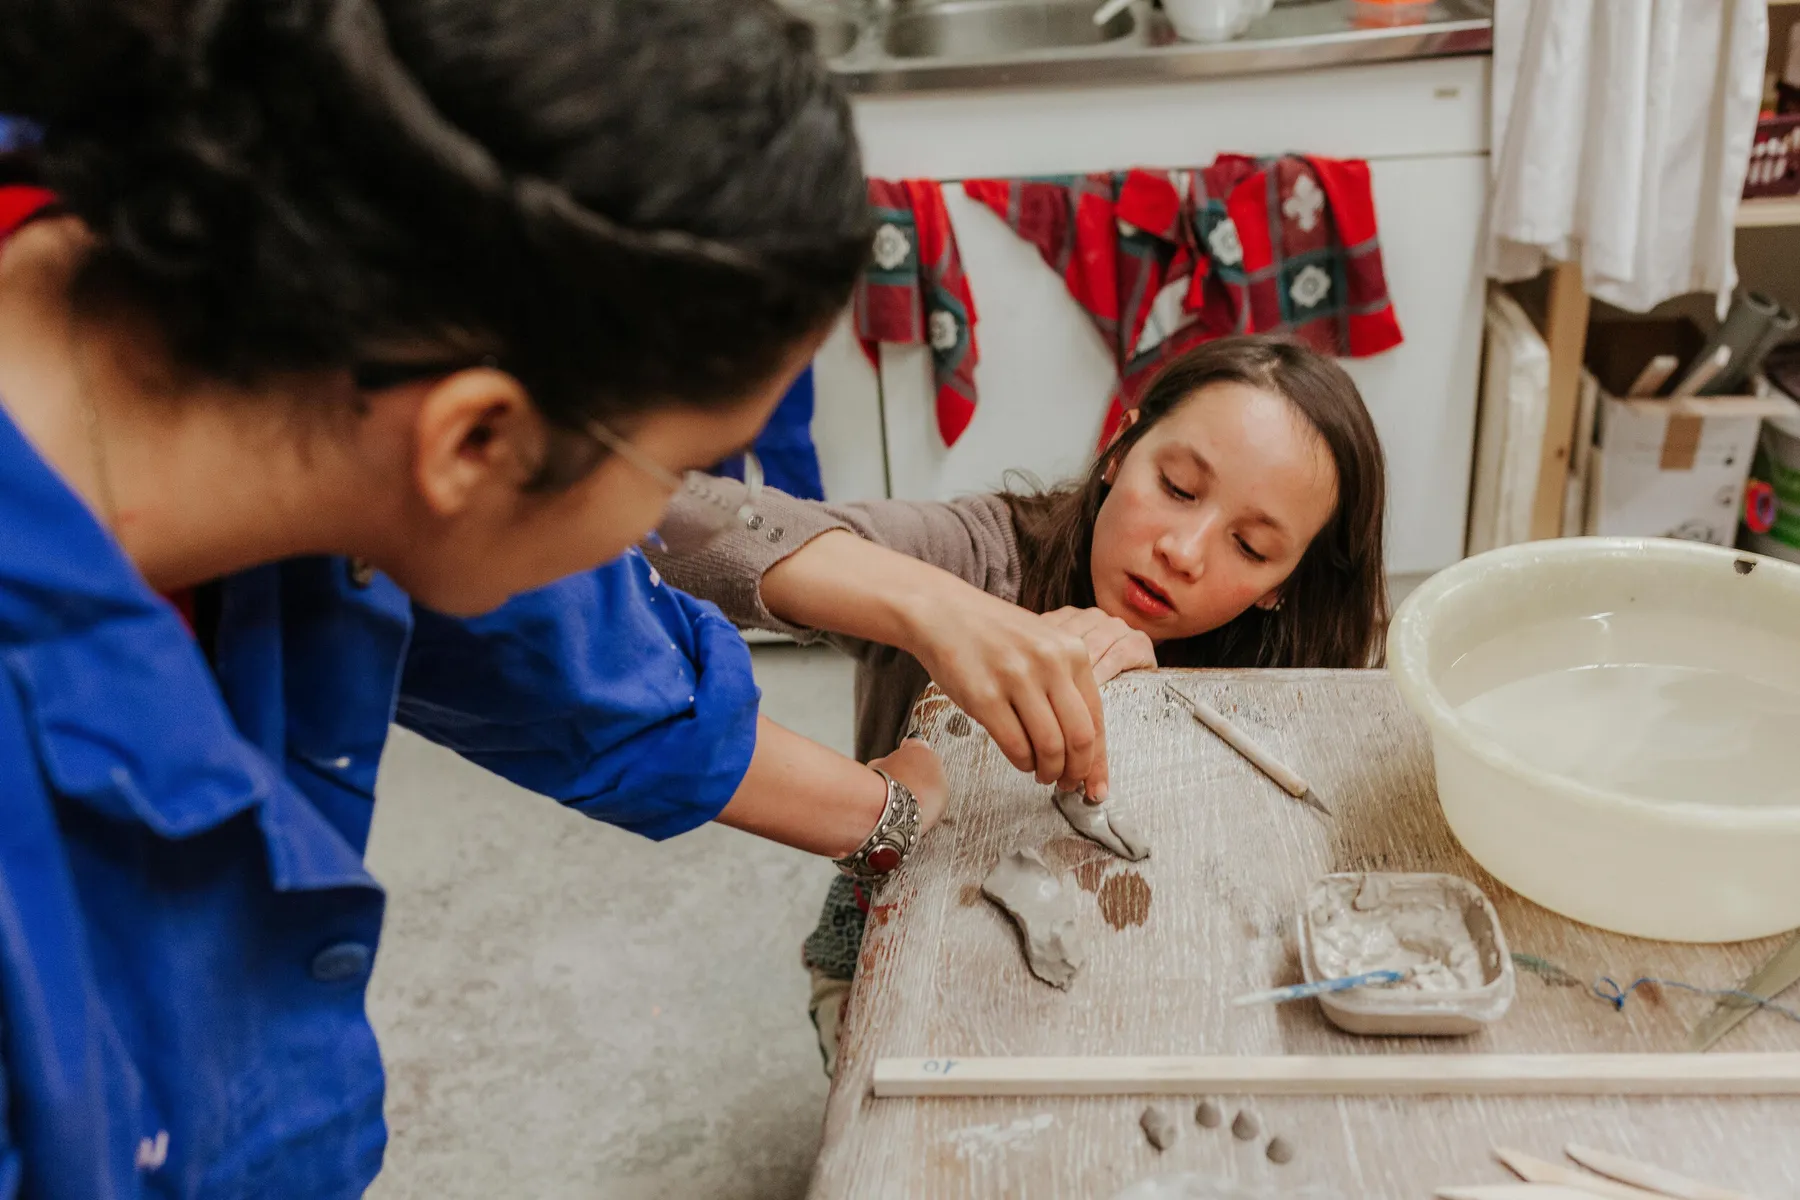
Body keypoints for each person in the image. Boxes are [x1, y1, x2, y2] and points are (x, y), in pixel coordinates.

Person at [0, 0, 1118, 1191]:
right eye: (674, 473)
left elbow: (563, 653)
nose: (665, 529)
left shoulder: (287, 343)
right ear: (476, 439)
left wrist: (887, 798)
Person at [650, 334, 1390, 1071]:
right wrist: (940, 612)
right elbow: (664, 519)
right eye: (1177, 488)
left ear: (1283, 585)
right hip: (896, 909)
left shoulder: (1298, 676)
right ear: (1118, 450)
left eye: (1252, 547)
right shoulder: (978, 560)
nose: (1185, 551)